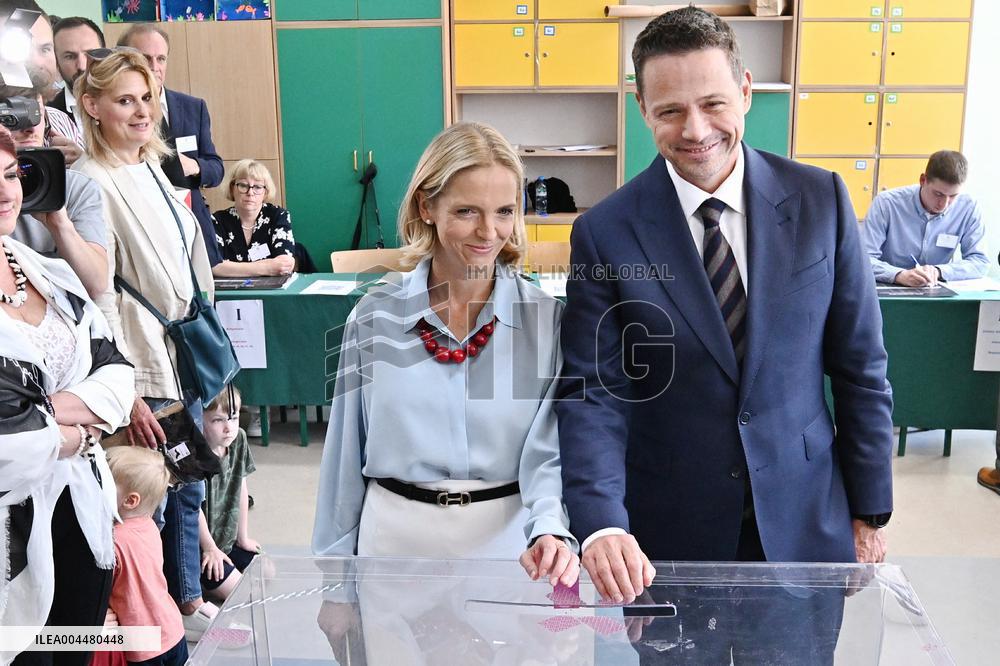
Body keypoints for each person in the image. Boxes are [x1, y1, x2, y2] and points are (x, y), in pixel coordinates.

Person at [556, 7, 894, 604]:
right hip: (666, 536)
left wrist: (870, 510)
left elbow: (861, 367)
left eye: (713, 103)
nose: (695, 130)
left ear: (745, 92)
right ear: (642, 108)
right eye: (670, 110)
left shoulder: (821, 200)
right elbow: (595, 392)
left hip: (805, 520)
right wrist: (603, 522)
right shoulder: (606, 232)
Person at [313, 121, 579, 587]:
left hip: (511, 551)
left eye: (504, 211)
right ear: (426, 207)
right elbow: (343, 459)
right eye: (466, 211)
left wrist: (551, 528)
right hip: (394, 549)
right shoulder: (374, 317)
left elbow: (551, 451)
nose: (489, 231)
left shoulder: (545, 321)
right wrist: (337, 586)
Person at [72, 50, 219, 641]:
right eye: (125, 100)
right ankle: (145, 632)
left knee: (188, 482)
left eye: (147, 98)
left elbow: (185, 262)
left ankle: (182, 602)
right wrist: (124, 387)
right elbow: (100, 294)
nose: (141, 111)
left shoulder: (154, 165)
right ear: (92, 106)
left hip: (182, 354)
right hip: (143, 363)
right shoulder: (91, 179)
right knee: (144, 506)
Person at [0, 124, 134, 665]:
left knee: (76, 649)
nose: (6, 192)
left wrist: (41, 415)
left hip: (80, 509)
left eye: (11, 175)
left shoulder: (48, 272)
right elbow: (8, 441)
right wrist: (83, 429)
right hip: (11, 539)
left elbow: (117, 373)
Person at [117, 24, 225, 266]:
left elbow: (216, 168)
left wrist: (194, 166)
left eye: (161, 58)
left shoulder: (193, 107)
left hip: (192, 224)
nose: (154, 66)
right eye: (145, 58)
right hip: (144, 229)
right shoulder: (116, 113)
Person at [0, 82, 107, 297]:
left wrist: (59, 224)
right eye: (15, 116)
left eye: (36, 114)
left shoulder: (76, 187)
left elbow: (96, 285)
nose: (30, 128)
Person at [105, 446, 187, 666]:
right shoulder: (150, 526)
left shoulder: (112, 542)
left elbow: (99, 591)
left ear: (130, 500)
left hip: (142, 644)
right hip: (173, 629)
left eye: (103, 483)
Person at [862, 150, 987, 286]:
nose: (944, 204)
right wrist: (898, 275)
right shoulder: (886, 203)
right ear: (923, 180)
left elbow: (980, 261)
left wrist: (938, 271)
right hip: (889, 286)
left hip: (935, 287)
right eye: (938, 194)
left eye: (953, 196)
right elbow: (863, 259)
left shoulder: (968, 207)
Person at [199, 387, 260, 602]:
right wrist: (209, 548)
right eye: (218, 420)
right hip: (203, 549)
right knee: (245, 594)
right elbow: (192, 508)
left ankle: (218, 578)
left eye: (234, 418)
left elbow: (241, 487)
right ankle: (202, 583)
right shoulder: (196, 451)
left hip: (227, 542)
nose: (228, 428)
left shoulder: (239, 438)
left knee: (267, 572)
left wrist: (242, 538)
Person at [211, 159, 295, 278]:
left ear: (265, 192)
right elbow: (214, 266)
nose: (250, 193)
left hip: (272, 288)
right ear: (232, 188)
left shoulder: (278, 215)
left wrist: (232, 268)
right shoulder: (217, 220)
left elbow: (283, 264)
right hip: (231, 289)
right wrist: (266, 267)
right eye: (243, 185)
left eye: (258, 187)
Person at [50, 16, 104, 128]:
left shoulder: (130, 102)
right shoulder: (47, 116)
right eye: (69, 56)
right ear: (56, 62)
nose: (82, 66)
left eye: (90, 53)